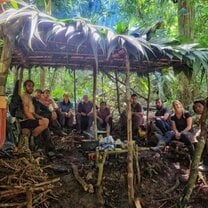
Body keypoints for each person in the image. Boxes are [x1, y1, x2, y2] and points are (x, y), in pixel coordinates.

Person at [20, 80, 52, 151]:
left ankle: (48, 147)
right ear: (24, 87)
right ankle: (33, 137)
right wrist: (35, 121)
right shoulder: (24, 96)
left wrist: (40, 117)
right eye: (29, 86)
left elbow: (33, 112)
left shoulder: (30, 97)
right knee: (45, 122)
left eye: (32, 86)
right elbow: (26, 112)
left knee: (45, 121)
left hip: (31, 118)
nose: (31, 87)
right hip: (25, 120)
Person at [193, 99, 208, 171]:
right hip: (205, 135)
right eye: (196, 107)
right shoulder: (201, 118)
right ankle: (203, 160)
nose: (197, 108)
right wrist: (196, 134)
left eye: (199, 106)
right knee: (198, 141)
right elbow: (200, 128)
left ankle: (206, 164)